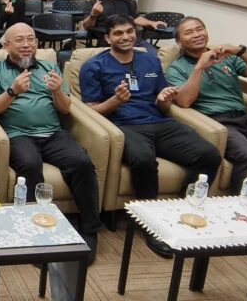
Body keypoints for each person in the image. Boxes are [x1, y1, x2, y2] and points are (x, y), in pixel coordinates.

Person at [79, 14, 221, 258]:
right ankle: (152, 224)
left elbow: (163, 102)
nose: (125, 37)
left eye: (129, 31)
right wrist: (115, 101)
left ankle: (185, 210)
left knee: (209, 154)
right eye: (118, 33)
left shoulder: (150, 61)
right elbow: (89, 110)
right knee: (143, 160)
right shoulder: (94, 66)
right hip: (124, 125)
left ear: (136, 33)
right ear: (107, 37)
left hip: (160, 121)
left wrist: (164, 99)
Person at [0, 23, 101, 262]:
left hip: (53, 133)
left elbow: (66, 109)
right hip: (17, 134)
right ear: (6, 45)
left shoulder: (49, 67)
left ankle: (89, 230)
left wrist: (57, 91)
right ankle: (33, 232)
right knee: (29, 164)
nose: (27, 45)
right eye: (20, 41)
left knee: (82, 163)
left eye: (31, 40)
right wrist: (12, 91)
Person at [167, 17, 247, 193]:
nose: (197, 35)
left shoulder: (226, 58)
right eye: (189, 32)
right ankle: (241, 214)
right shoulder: (177, 68)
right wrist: (199, 67)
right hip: (217, 123)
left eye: (200, 29)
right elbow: (184, 102)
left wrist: (239, 51)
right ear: (179, 42)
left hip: (245, 119)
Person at [81, 0, 163, 52]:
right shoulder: (93, 2)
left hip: (132, 39)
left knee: (154, 56)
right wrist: (93, 14)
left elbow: (135, 18)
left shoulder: (124, 0)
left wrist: (152, 23)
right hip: (110, 42)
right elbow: (87, 26)